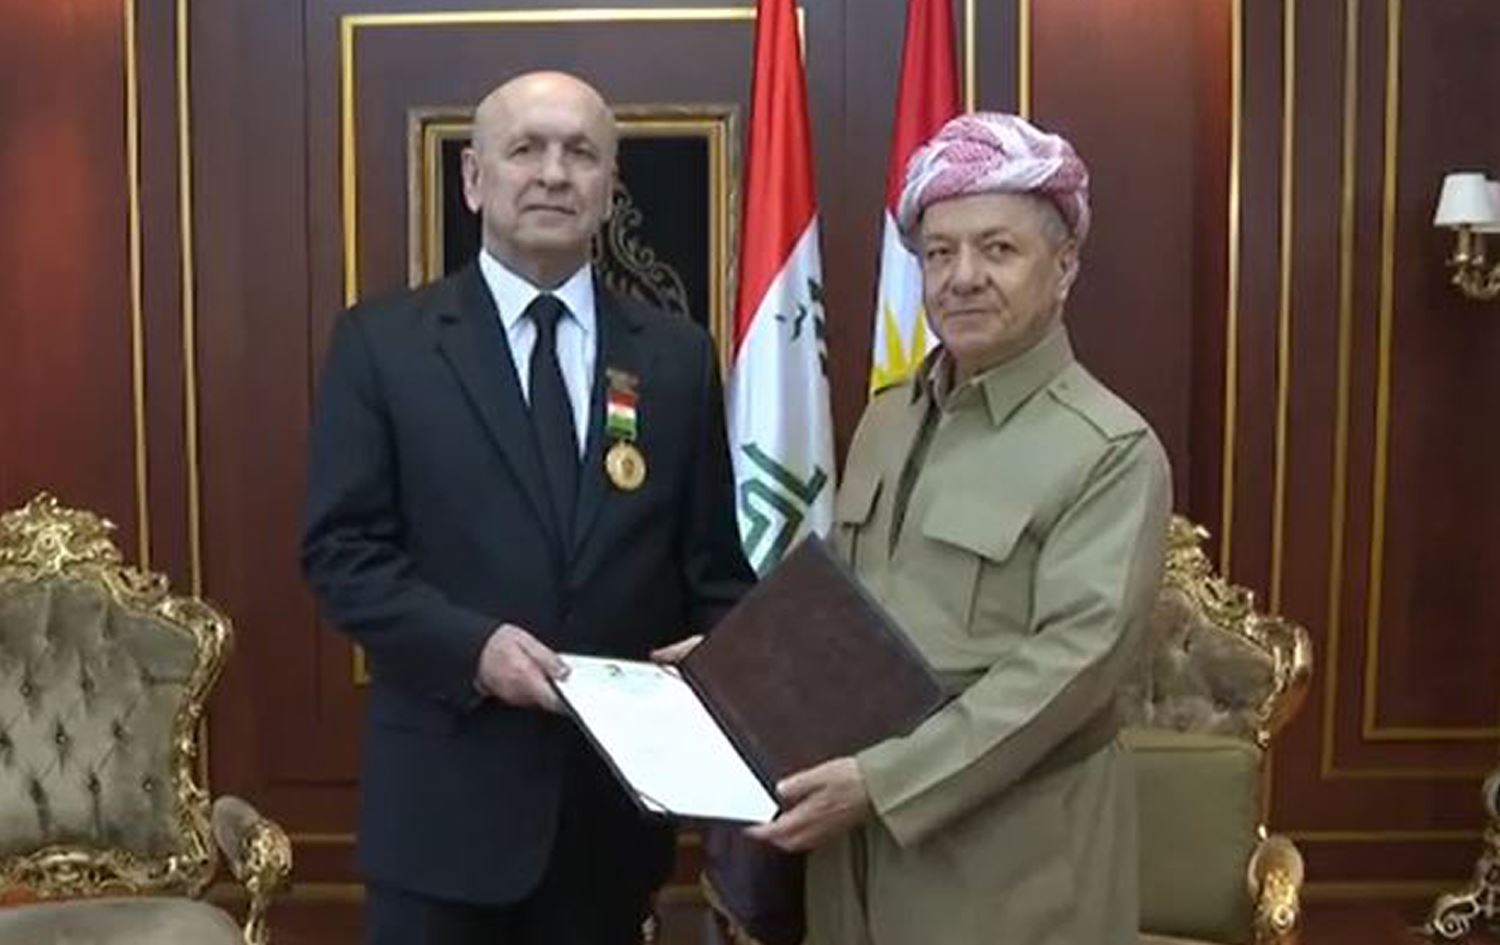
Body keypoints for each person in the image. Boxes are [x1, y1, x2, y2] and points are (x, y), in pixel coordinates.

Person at [300, 70, 754, 945]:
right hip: (442, 822)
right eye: (526, 149)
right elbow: (342, 554)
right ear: (475, 179)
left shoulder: (674, 358)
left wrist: (729, 655)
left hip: (609, 827)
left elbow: (713, 572)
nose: (553, 173)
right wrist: (474, 650)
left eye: (580, 153)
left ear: (609, 188)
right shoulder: (383, 345)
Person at [746, 112, 1173, 944]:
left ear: (1064, 265)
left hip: (1011, 860)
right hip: (852, 846)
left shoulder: (1109, 449)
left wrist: (884, 781)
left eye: (998, 249)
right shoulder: (888, 419)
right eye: (939, 253)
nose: (963, 277)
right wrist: (748, 664)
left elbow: (1067, 674)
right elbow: (849, 604)